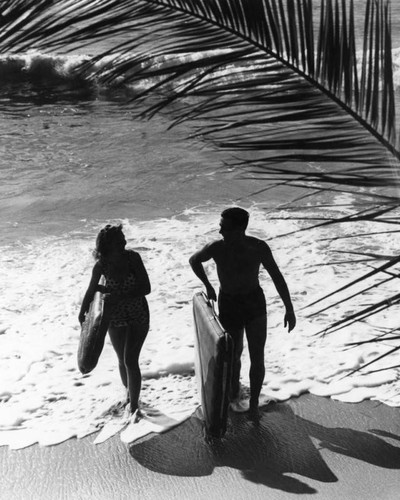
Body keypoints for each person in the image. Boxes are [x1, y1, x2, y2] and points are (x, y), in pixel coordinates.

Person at [189, 207, 296, 418]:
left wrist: (289, 308)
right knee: (233, 354)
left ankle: (254, 404)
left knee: (257, 356)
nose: (221, 232)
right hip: (229, 304)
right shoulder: (217, 248)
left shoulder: (257, 247)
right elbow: (194, 260)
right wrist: (208, 286)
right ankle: (233, 393)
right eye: (220, 227)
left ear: (240, 229)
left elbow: (276, 276)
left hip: (254, 303)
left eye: (225, 228)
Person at [79, 224, 151, 418]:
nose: (125, 242)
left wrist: (120, 295)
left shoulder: (133, 258)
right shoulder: (102, 265)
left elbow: (146, 287)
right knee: (121, 359)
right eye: (120, 240)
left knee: (130, 359)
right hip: (114, 315)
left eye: (124, 238)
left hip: (138, 313)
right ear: (108, 245)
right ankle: (129, 396)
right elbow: (92, 289)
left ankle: (134, 408)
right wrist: (83, 313)